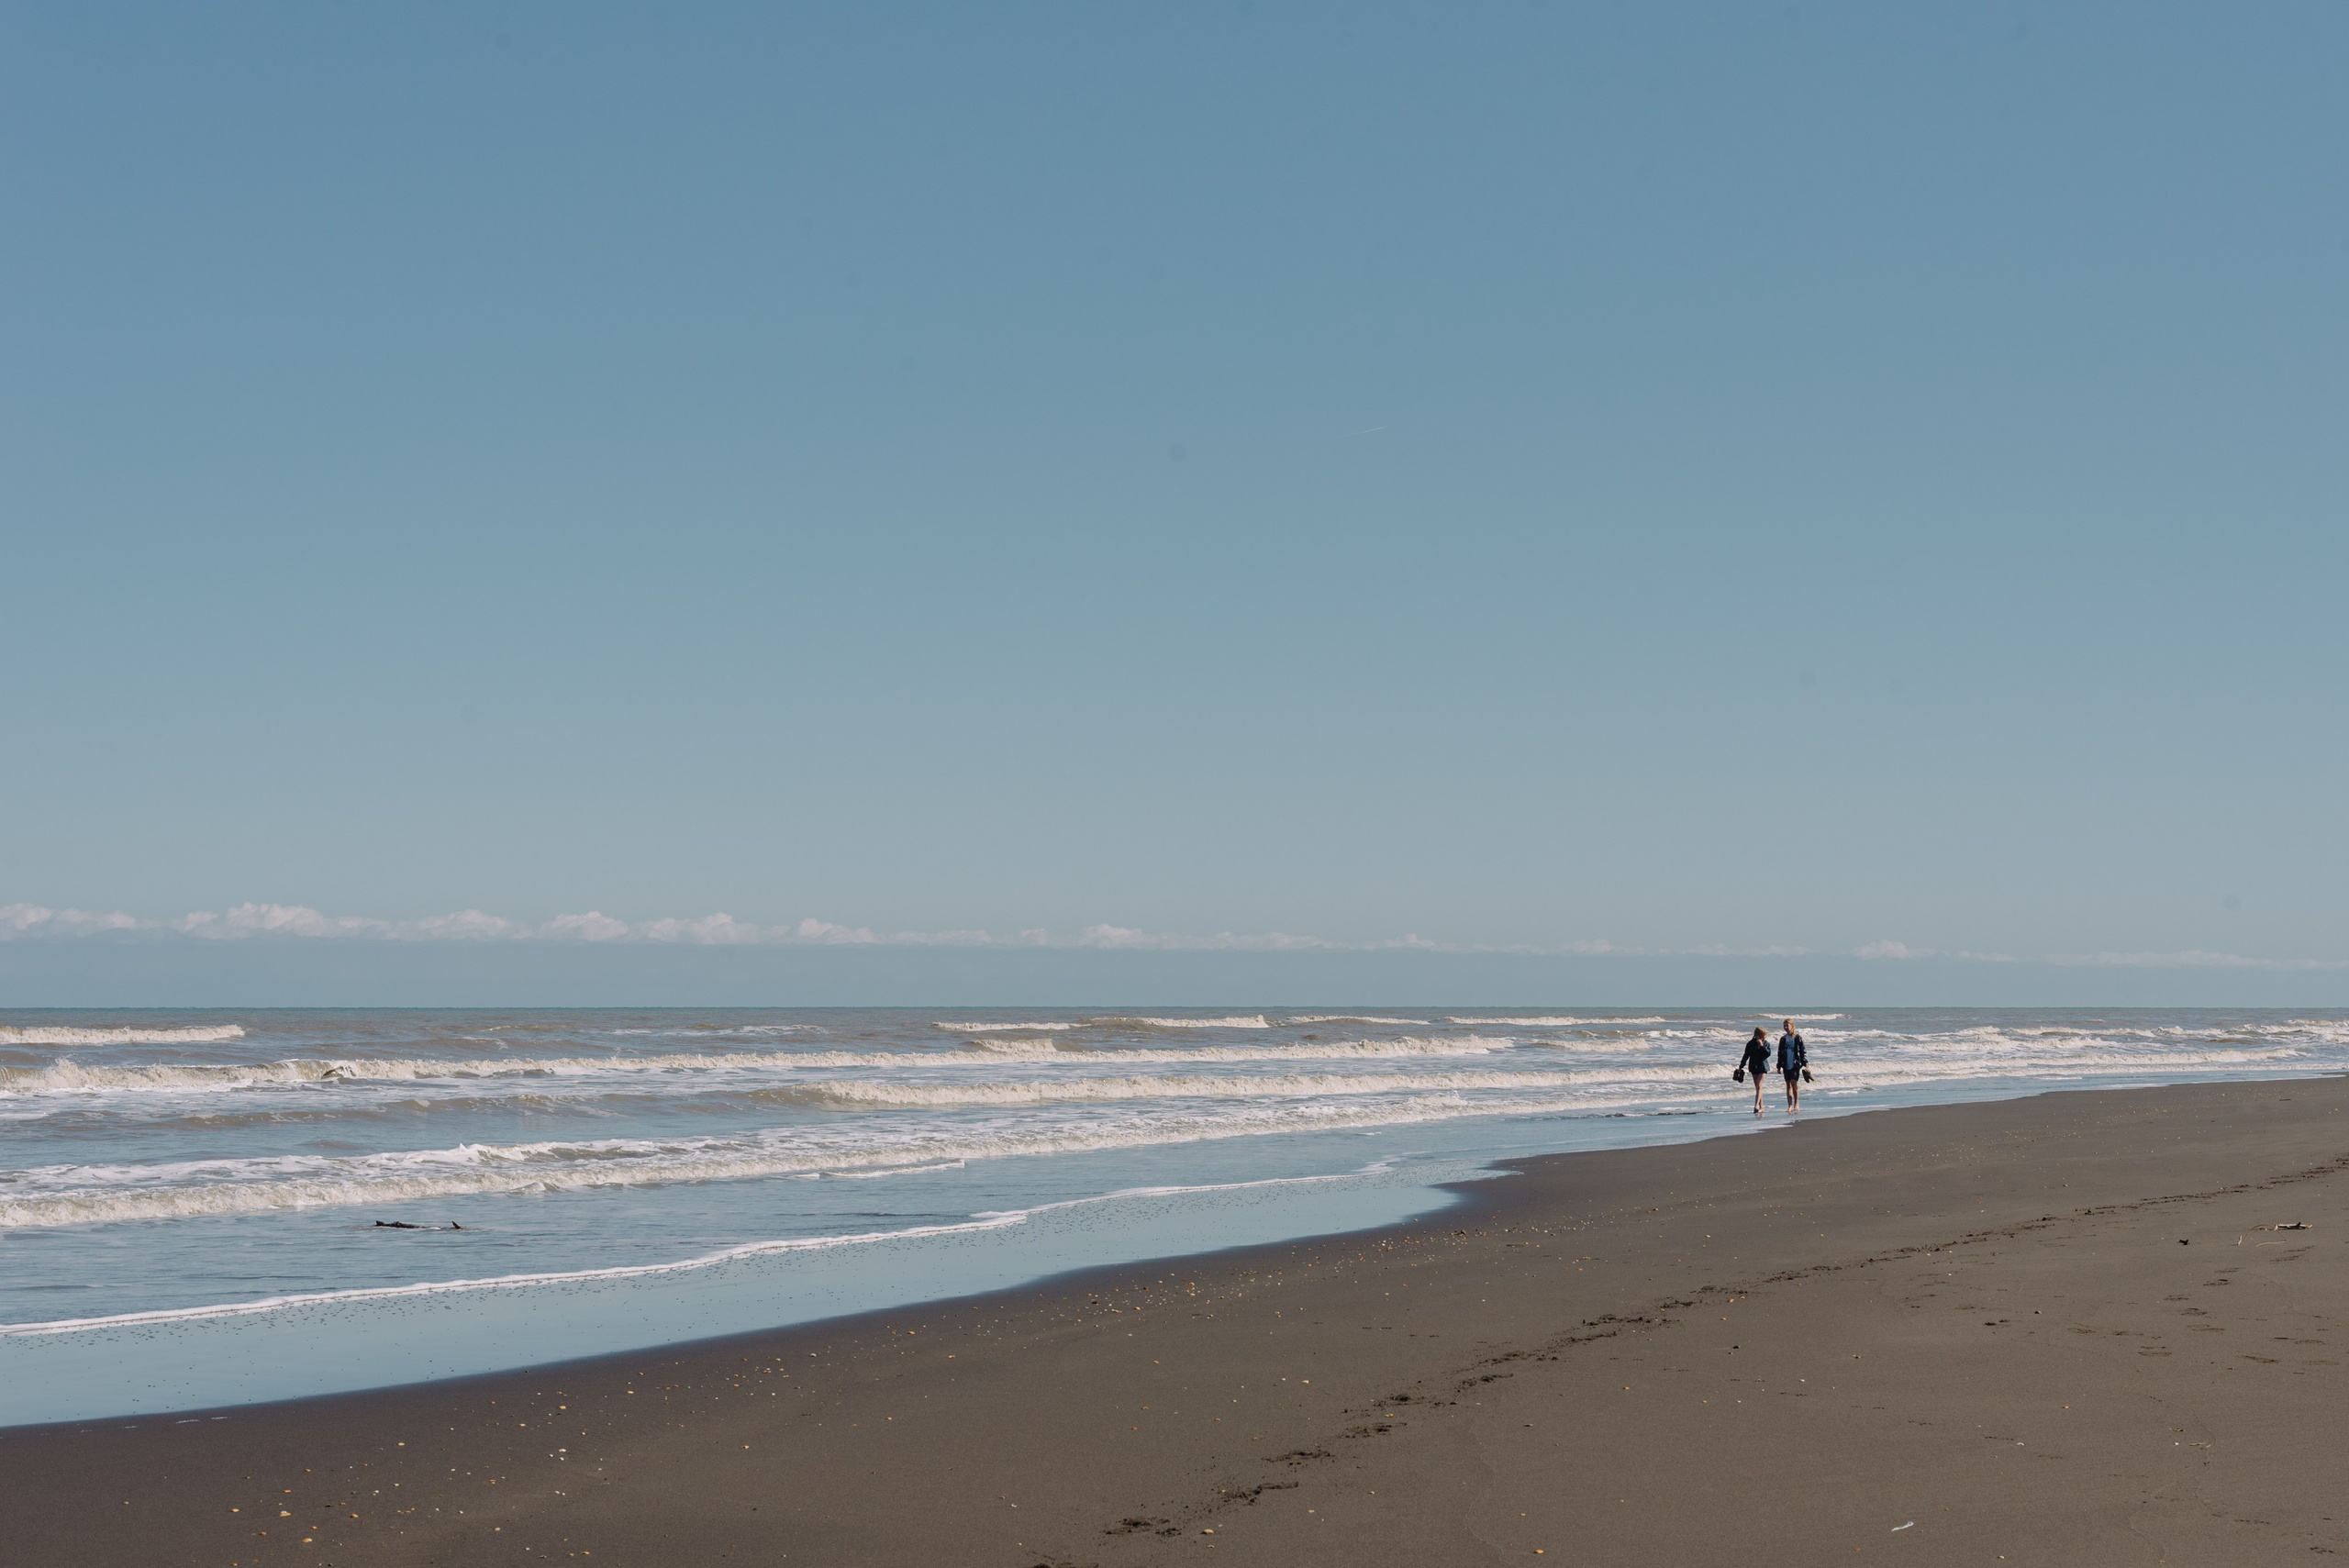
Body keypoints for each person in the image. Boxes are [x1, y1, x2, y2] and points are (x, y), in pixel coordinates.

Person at [1736, 1027, 1771, 1114]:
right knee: (1758, 1088)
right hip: (1754, 1067)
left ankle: (1755, 1106)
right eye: (1764, 1035)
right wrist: (1741, 1066)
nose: (1765, 1037)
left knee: (1759, 1085)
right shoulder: (1750, 1044)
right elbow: (1746, 1056)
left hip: (1763, 1067)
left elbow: (1767, 1054)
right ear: (1758, 1035)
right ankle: (1761, 1107)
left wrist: (1761, 1045)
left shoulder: (1766, 1043)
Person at [1776, 1018, 1809, 1111]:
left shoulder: (1797, 1038)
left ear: (1792, 1026)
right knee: (1788, 1084)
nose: (1785, 1027)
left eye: (1787, 1025)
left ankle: (1796, 1103)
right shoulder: (1783, 1039)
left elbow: (1802, 1050)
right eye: (1784, 1025)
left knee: (1794, 1083)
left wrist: (1805, 1062)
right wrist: (1779, 1066)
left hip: (1795, 1063)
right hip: (1786, 1064)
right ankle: (1790, 1105)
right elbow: (1780, 1053)